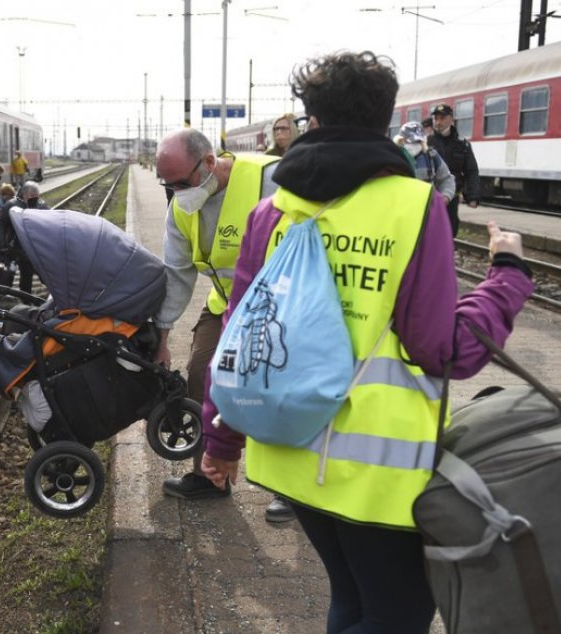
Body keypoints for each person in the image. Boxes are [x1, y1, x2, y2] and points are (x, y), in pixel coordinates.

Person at [200, 51, 533, 633]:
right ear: (386, 119)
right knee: (395, 615)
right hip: (378, 470)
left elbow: (238, 335)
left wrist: (220, 440)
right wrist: (507, 276)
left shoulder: (270, 213)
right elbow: (446, 350)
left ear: (312, 120)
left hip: (291, 453)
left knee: (355, 603)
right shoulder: (414, 206)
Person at [153, 129, 289, 521]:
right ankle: (210, 476)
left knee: (276, 387)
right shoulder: (180, 207)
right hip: (226, 303)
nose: (177, 191)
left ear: (210, 163)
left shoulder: (270, 179)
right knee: (201, 375)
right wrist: (163, 337)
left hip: (279, 306)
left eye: (182, 182)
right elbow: (177, 275)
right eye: (168, 184)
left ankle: (287, 488)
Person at [429, 103, 480, 237]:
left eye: (442, 118)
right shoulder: (427, 143)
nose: (438, 122)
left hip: (452, 197)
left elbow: (471, 171)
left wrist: (472, 196)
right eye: (436, 119)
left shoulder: (462, 144)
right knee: (430, 231)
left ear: (451, 119)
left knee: (450, 230)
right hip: (430, 196)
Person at [0, 181, 49, 294]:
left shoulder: (41, 205)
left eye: (37, 196)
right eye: (32, 196)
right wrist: (2, 244)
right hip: (16, 247)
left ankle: (29, 296)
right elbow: (1, 225)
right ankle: (16, 295)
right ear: (25, 194)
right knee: (17, 274)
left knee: (38, 274)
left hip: (35, 248)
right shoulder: (11, 205)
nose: (35, 199)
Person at [394, 121, 456, 203]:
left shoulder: (432, 156)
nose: (414, 144)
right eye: (409, 141)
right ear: (400, 141)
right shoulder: (393, 158)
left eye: (418, 141)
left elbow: (447, 179)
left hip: (427, 209)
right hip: (400, 209)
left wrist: (445, 196)